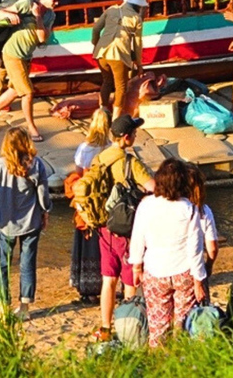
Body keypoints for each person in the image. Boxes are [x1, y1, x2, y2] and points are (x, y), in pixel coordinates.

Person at [129, 158, 207, 348]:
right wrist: (199, 280)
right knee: (183, 325)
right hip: (184, 271)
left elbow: (138, 237)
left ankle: (158, 365)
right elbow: (195, 248)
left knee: (158, 326)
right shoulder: (189, 209)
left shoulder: (146, 205)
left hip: (155, 271)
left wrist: (136, 267)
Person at [93, 114, 155, 342]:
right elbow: (153, 186)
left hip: (104, 227)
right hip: (126, 229)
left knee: (108, 280)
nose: (137, 135)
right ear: (127, 137)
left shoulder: (101, 158)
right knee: (130, 282)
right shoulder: (129, 162)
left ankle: (106, 326)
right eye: (135, 133)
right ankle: (127, 325)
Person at [0, 0, 62, 141]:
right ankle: (31, 128)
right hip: (12, 53)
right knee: (28, 93)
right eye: (54, 0)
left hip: (26, 55)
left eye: (59, 0)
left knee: (15, 89)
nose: (56, 3)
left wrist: (38, 17)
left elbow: (41, 38)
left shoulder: (50, 16)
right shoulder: (28, 4)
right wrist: (8, 14)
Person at [0, 127, 52, 320]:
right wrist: (45, 212)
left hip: (6, 222)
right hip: (31, 222)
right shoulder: (36, 165)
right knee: (27, 263)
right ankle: (24, 307)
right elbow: (43, 195)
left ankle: (1, 307)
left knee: (2, 264)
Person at [70, 108, 112, 303]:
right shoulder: (111, 148)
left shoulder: (84, 148)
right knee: (103, 244)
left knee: (86, 243)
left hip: (86, 204)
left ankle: (87, 288)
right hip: (105, 203)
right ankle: (105, 284)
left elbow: (78, 175)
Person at [91, 0, 147, 120]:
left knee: (106, 82)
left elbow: (96, 29)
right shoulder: (136, 18)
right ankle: (116, 119)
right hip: (118, 55)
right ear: (138, 6)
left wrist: (96, 45)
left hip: (101, 53)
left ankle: (102, 113)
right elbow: (137, 43)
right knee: (121, 87)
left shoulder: (111, 10)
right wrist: (139, 64)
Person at [185, 163, 219, 303]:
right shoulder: (204, 211)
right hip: (195, 268)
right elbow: (213, 248)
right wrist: (209, 265)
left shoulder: (171, 207)